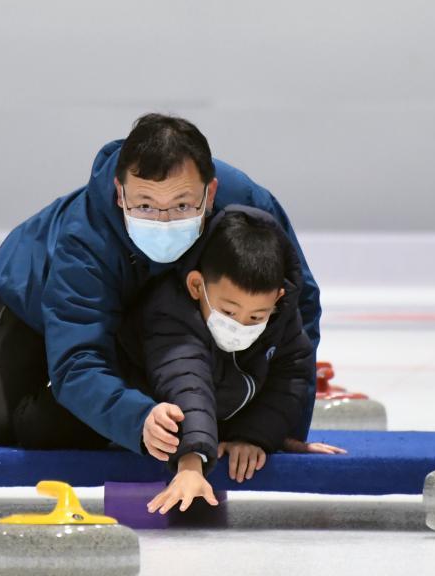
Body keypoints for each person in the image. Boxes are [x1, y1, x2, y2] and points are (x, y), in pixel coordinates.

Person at [0, 113, 321, 460]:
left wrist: (278, 427)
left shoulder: (249, 207)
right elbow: (78, 361)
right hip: (32, 291)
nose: (163, 221)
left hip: (143, 314)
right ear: (119, 192)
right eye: (145, 205)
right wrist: (139, 420)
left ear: (210, 194)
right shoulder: (84, 239)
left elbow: (295, 304)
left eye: (182, 205)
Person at [112, 207, 346, 514]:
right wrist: (191, 464)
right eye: (229, 312)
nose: (241, 324)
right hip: (143, 410)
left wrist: (254, 436)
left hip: (217, 415)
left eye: (256, 316)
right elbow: (186, 382)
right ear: (197, 286)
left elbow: (290, 379)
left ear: (277, 298)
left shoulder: (283, 319)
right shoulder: (169, 312)